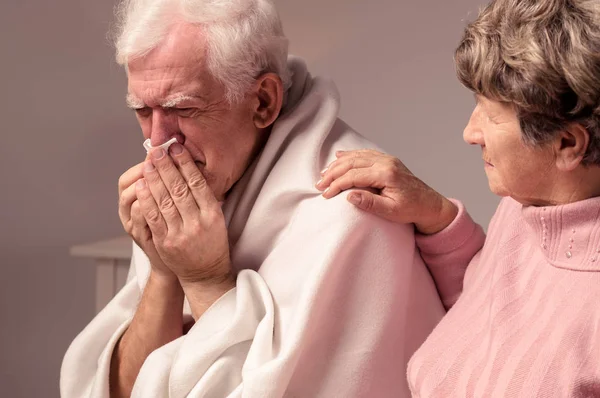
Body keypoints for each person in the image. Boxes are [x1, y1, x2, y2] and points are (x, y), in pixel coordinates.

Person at [60, 0, 451, 397]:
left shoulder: (349, 212)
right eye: (143, 110)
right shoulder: (189, 193)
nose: (157, 142)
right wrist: (165, 273)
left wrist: (205, 279)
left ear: (263, 101)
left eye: (183, 109)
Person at [319, 0, 600, 396]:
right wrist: (436, 215)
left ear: (568, 143)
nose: (470, 132)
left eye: (491, 114)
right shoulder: (523, 209)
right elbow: (486, 322)